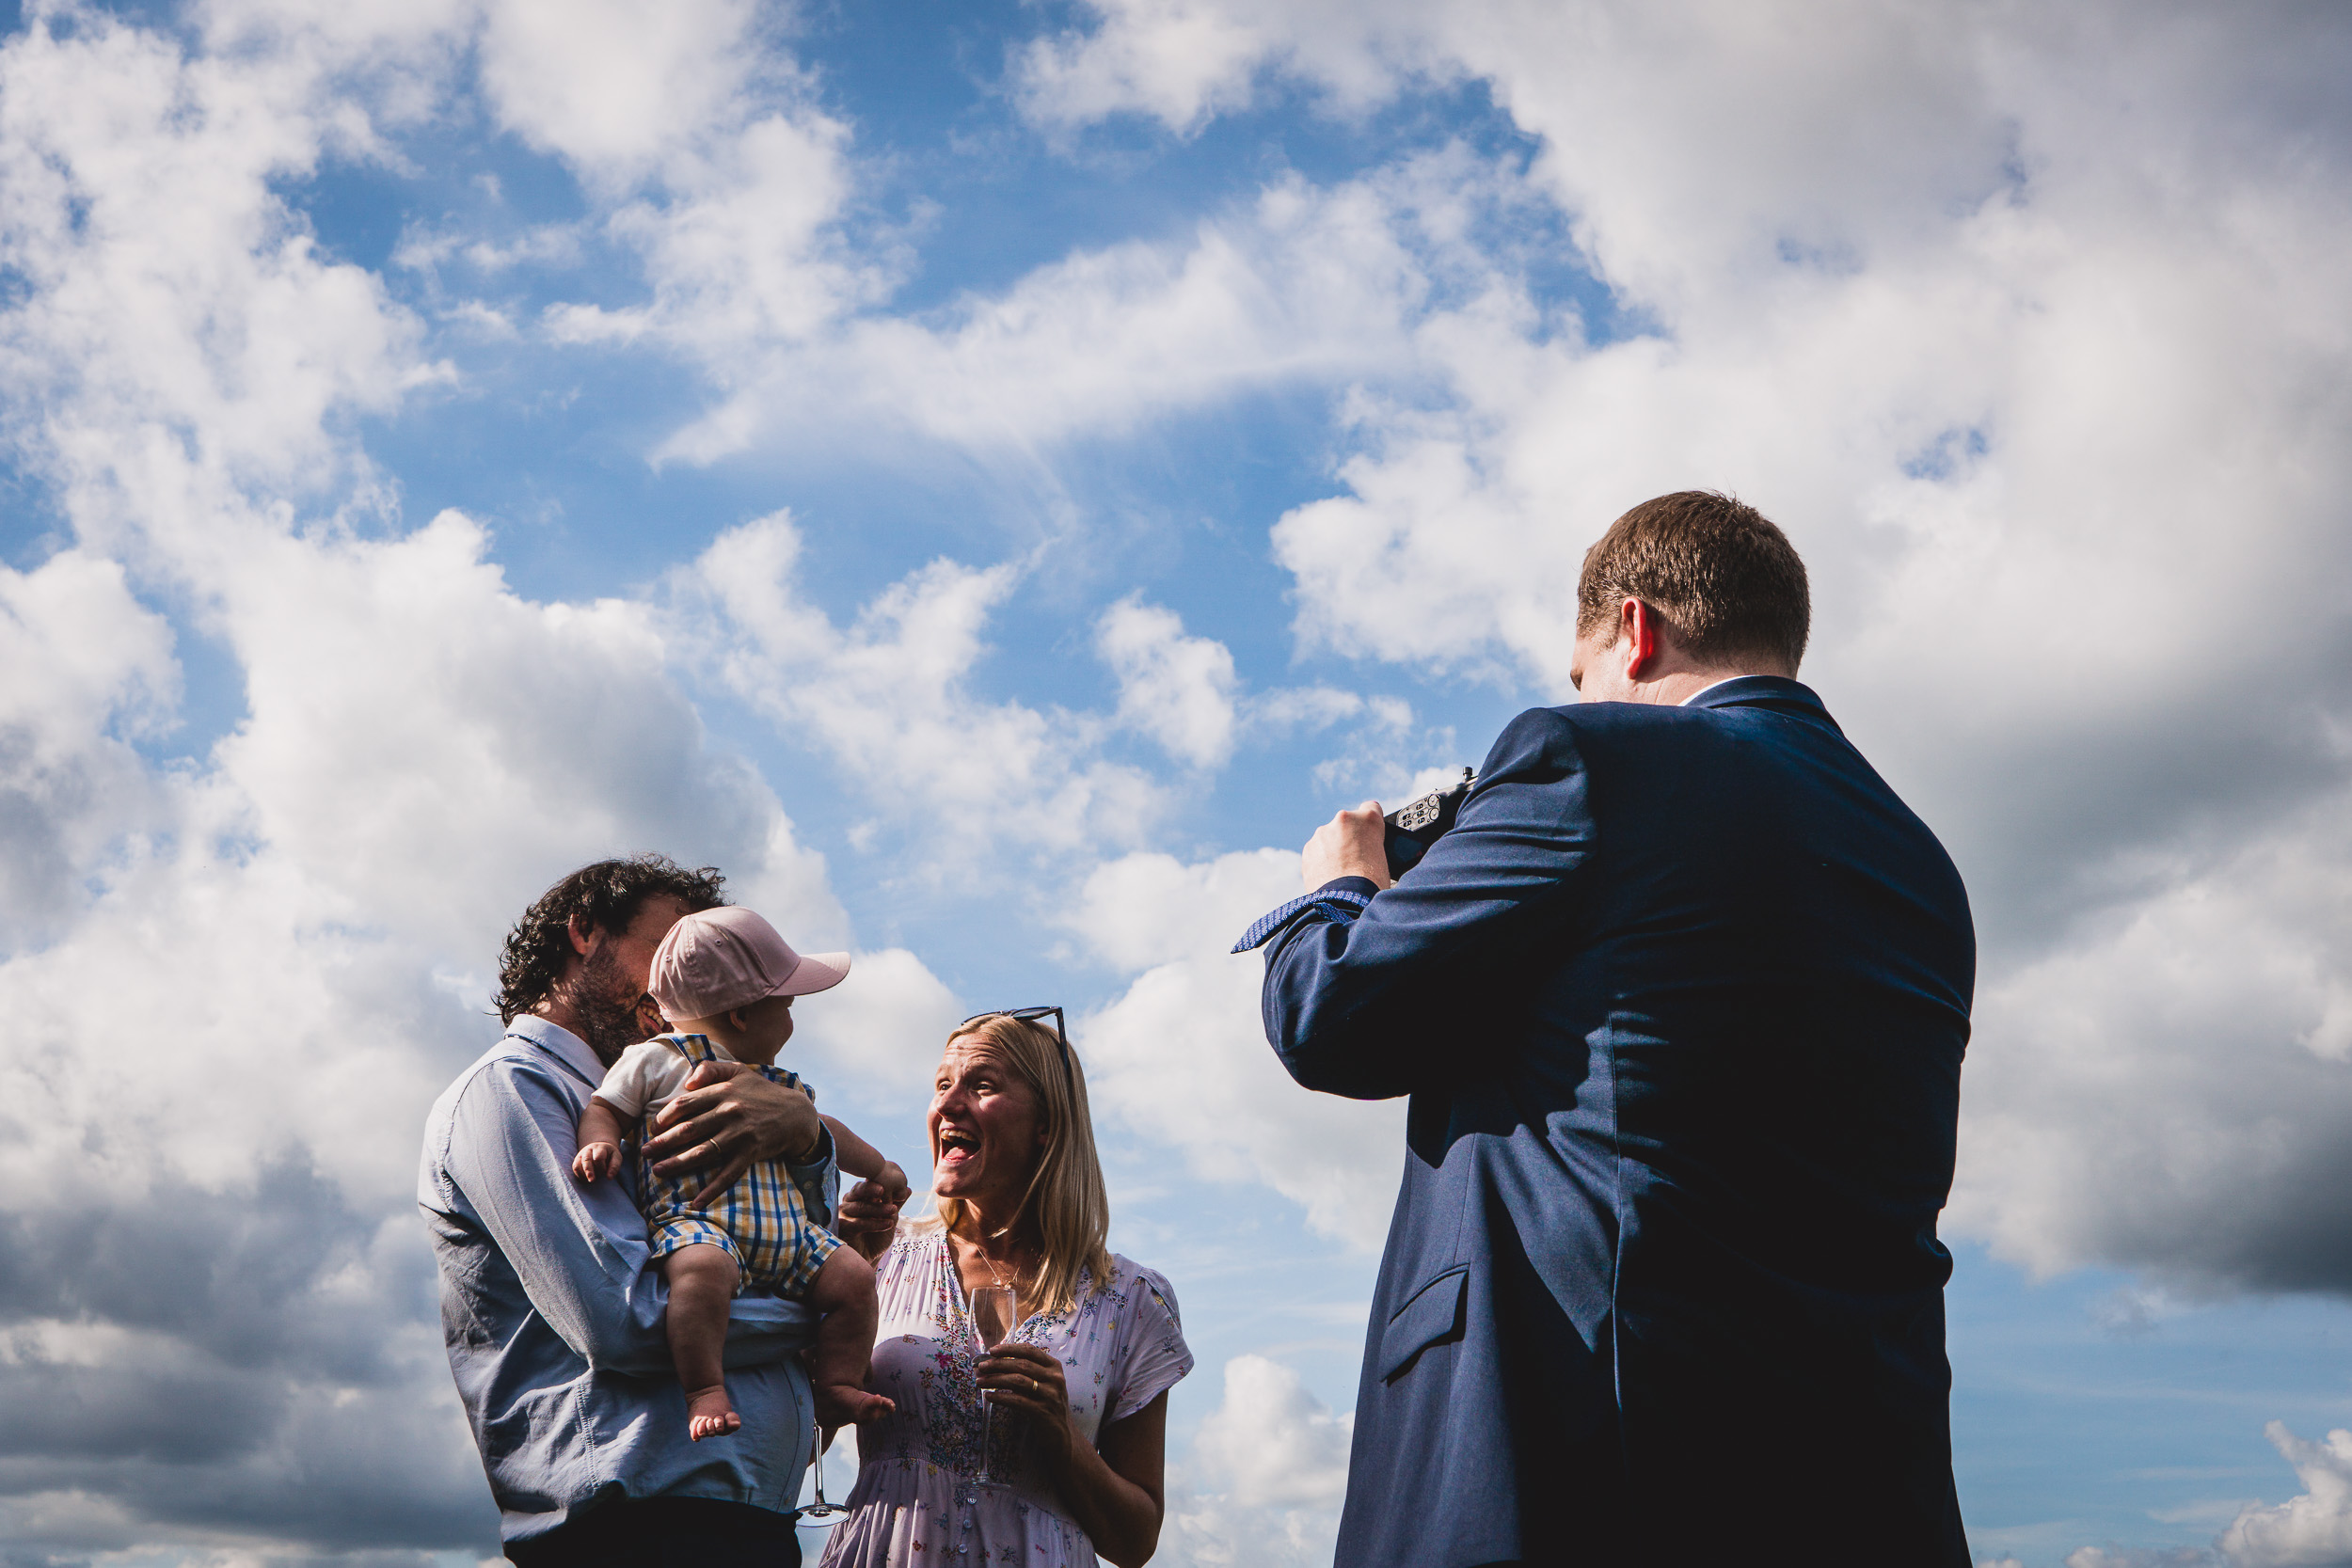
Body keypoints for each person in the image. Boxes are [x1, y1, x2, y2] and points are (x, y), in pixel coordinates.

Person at [1234, 492, 1978, 1565]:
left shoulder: (1588, 759)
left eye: (1576, 671)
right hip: (1864, 1480)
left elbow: (1331, 1018)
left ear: (1633, 629)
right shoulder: (1922, 866)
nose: (1576, 695)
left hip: (1576, 1458)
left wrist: (1341, 891)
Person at [420, 855, 902, 1566]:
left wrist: (803, 1140)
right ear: (585, 931)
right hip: (641, 1534)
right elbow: (628, 1319)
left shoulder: (686, 1087)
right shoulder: (515, 1092)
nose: (681, 978)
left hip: (744, 1524)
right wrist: (828, 1316)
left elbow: (769, 1242)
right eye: (670, 944)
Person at [816, 1010, 1194, 1568]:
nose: (947, 1104)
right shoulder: (877, 1257)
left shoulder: (1133, 1300)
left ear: (1047, 1123)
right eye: (942, 1085)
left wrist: (1064, 1436)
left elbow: (1134, 1544)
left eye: (982, 1085)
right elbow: (800, 1443)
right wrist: (829, 1281)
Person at [573, 905, 907, 1441]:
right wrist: (599, 1144)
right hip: (701, 1222)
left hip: (788, 1233)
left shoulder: (782, 1084)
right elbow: (605, 1108)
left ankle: (836, 1381)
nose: (793, 1022)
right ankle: (704, 1388)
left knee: (855, 1278)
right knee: (700, 1277)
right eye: (788, 1006)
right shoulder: (655, 1060)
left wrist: (880, 1168)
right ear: (742, 1016)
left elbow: (827, 1130)